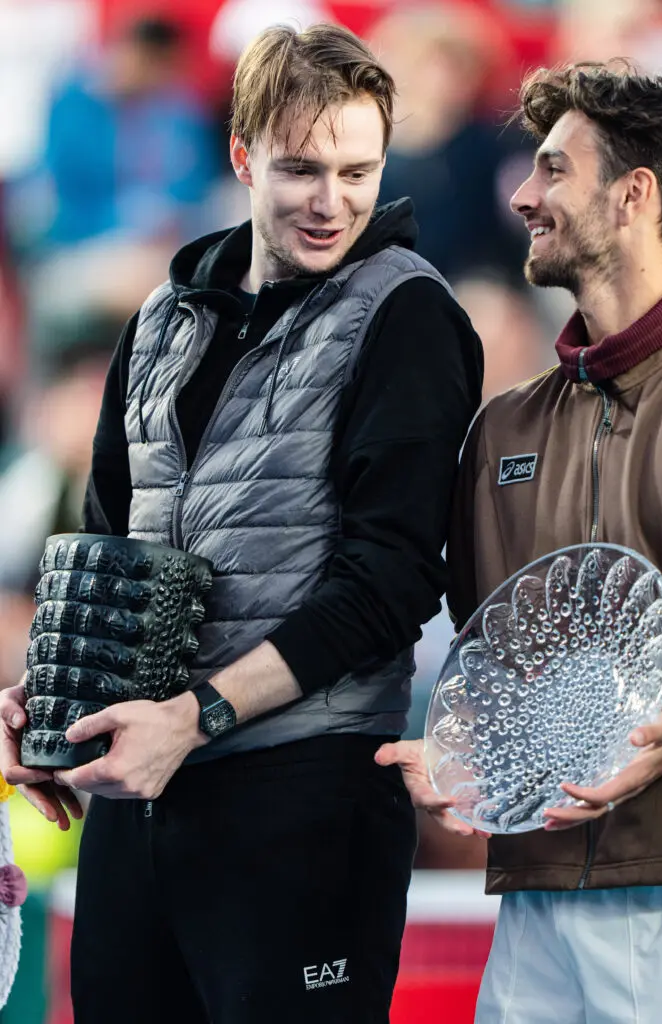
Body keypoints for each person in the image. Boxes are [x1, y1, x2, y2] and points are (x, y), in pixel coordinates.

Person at [0, 23, 483, 1024]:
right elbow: (105, 547)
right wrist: (51, 707)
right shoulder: (163, 314)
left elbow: (391, 582)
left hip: (305, 793)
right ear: (241, 155)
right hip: (142, 800)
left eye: (358, 172)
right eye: (302, 168)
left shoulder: (408, 313)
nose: (331, 200)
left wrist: (194, 717)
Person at [377, 61, 662, 1023]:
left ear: (633, 196)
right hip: (536, 900)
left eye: (553, 170)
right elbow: (494, 658)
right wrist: (455, 750)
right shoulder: (502, 428)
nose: (522, 195)